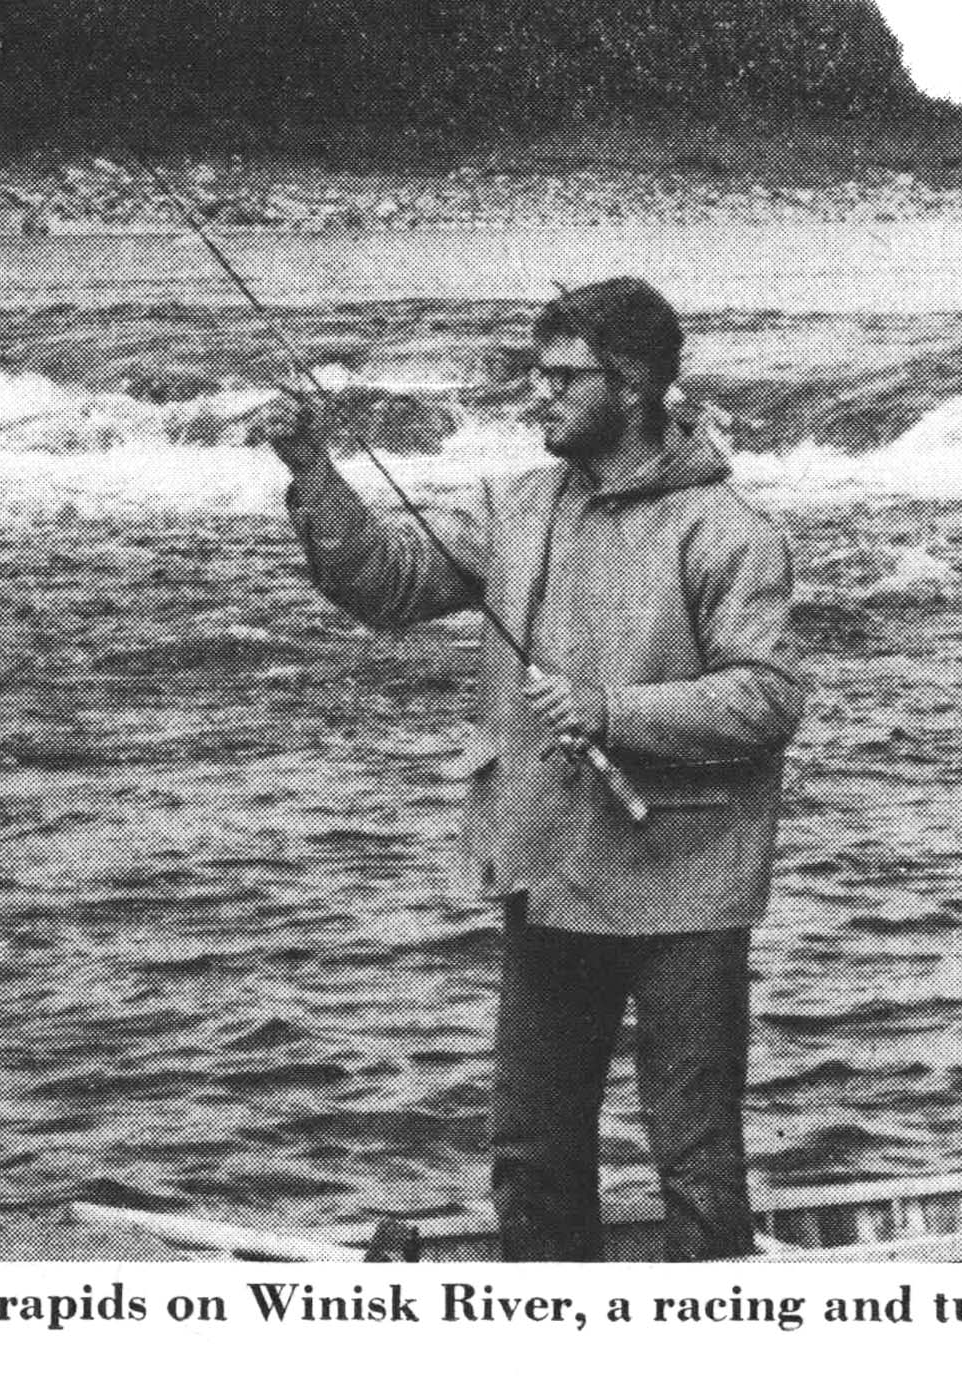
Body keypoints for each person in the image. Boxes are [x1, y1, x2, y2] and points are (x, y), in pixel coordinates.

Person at [249, 277, 804, 1260]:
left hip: (689, 894)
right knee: (532, 1157)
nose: (536, 397)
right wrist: (313, 470)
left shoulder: (732, 532)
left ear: (632, 388)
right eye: (534, 375)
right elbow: (381, 582)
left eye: (561, 378)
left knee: (697, 1161)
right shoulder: (513, 511)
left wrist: (609, 712)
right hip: (550, 877)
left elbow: (765, 700)